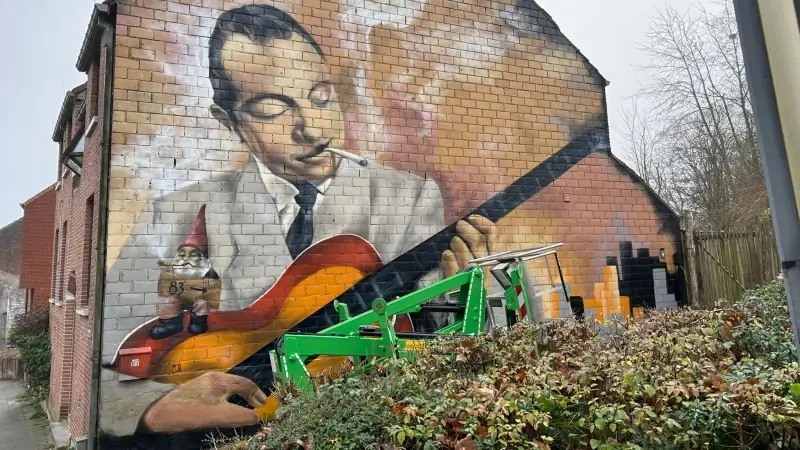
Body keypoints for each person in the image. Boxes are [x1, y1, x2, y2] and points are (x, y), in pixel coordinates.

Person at [100, 4, 496, 437]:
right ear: (229, 122)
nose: (310, 126)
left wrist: (461, 296)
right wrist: (151, 410)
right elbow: (111, 353)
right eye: (272, 108)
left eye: (321, 96)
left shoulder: (407, 198)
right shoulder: (180, 215)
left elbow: (433, 339)